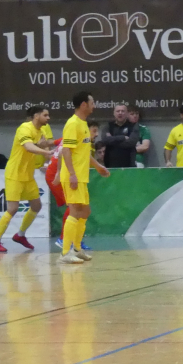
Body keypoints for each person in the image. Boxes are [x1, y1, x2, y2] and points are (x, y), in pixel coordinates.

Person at [0, 104, 55, 254]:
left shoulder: (41, 131)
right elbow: (28, 147)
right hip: (15, 174)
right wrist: (47, 152)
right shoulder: (24, 128)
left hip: (28, 175)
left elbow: (44, 143)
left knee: (36, 206)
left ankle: (20, 235)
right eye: (45, 115)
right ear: (36, 116)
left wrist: (64, 141)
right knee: (12, 208)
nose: (48, 118)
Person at [58, 91, 110, 264]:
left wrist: (98, 166)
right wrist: (72, 174)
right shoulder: (73, 123)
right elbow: (66, 150)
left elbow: (83, 152)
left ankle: (77, 249)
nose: (94, 105)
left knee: (85, 212)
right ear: (83, 105)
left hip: (81, 176)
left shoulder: (83, 124)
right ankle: (65, 252)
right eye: (92, 102)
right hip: (73, 176)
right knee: (75, 211)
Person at [99, 103, 140, 169]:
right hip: (110, 164)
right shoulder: (108, 126)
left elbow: (131, 142)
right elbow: (105, 140)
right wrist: (122, 137)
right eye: (118, 111)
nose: (120, 113)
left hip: (129, 165)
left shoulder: (133, 126)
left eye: (122, 111)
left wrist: (112, 140)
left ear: (127, 113)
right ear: (114, 113)